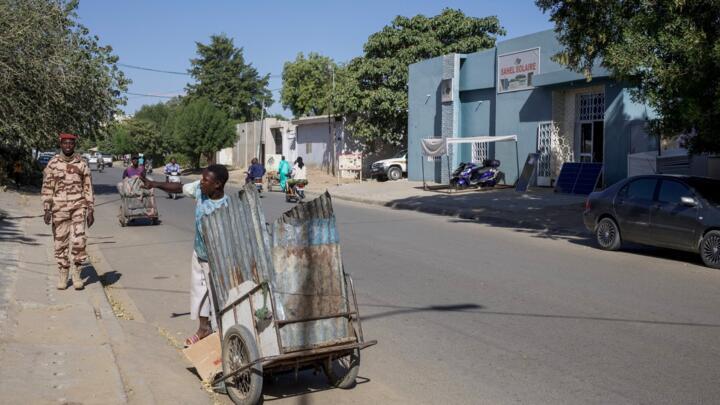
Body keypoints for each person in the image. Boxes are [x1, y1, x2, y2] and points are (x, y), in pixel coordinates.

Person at [140, 165, 229, 346]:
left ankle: (222, 335)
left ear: (218, 184)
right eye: (202, 179)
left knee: (216, 296)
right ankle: (203, 329)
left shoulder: (225, 206)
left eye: (206, 180)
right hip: (199, 252)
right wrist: (154, 184)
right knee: (199, 292)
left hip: (217, 259)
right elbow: (179, 187)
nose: (201, 183)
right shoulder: (201, 190)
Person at [41, 133, 95, 290]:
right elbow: (47, 187)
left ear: (74, 145)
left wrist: (90, 209)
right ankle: (63, 273)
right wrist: (46, 209)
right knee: (60, 243)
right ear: (61, 144)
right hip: (59, 209)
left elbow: (88, 188)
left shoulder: (82, 164)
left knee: (79, 241)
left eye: (71, 143)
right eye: (65, 143)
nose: (68, 146)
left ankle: (77, 273)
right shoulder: (53, 164)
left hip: (79, 207)